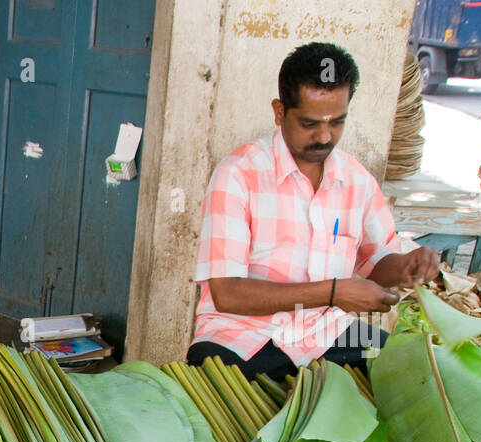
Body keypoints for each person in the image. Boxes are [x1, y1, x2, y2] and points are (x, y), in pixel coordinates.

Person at [188, 42, 441, 378]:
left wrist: (405, 266)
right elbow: (228, 293)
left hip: (327, 332)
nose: (324, 136)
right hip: (242, 335)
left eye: (337, 122)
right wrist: (334, 292)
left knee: (409, 366)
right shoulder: (238, 174)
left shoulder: (356, 181)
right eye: (309, 123)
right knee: (223, 392)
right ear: (279, 112)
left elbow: (375, 262)